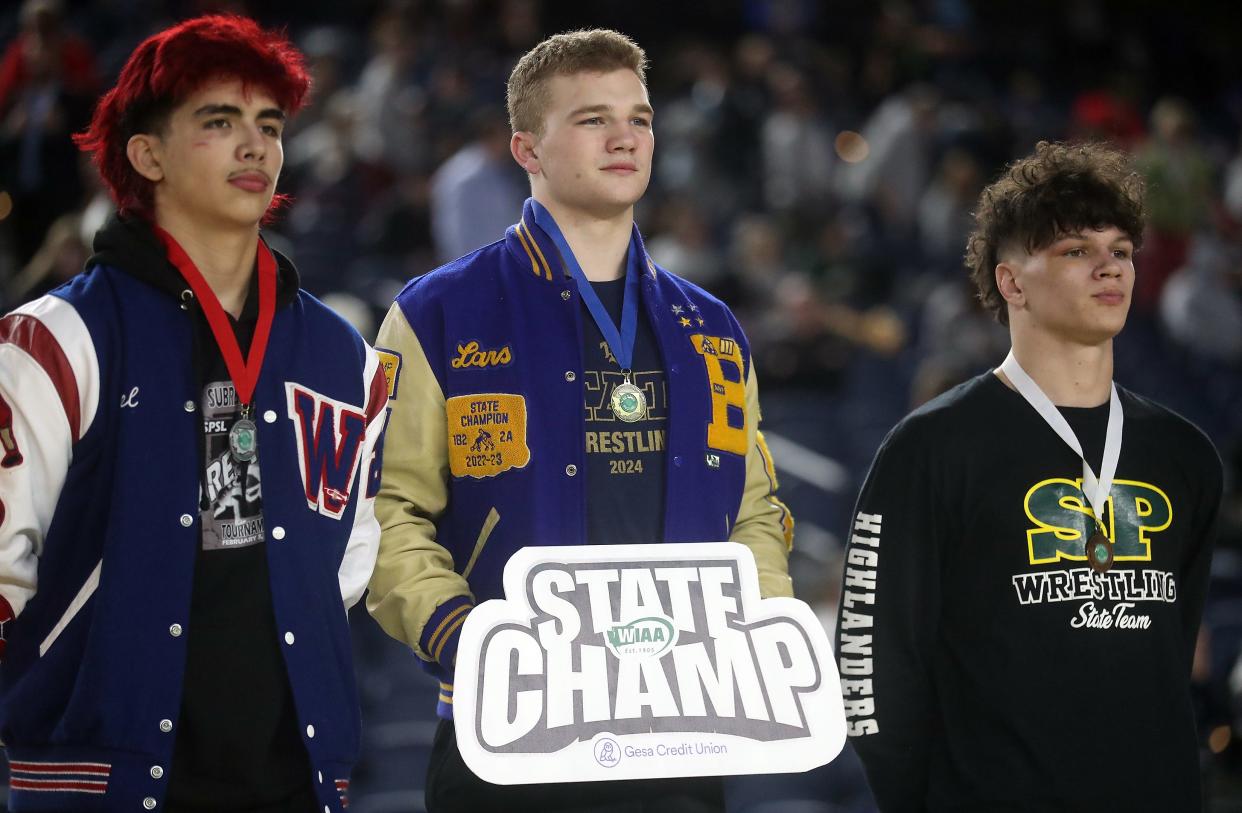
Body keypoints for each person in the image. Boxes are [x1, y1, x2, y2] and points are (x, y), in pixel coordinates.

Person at [366, 28, 794, 813]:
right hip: (506, 728)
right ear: (526, 147)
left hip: (681, 727)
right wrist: (461, 633)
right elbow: (388, 510)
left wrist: (751, 622)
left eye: (640, 117)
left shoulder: (714, 326)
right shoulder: (437, 312)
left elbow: (755, 508)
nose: (626, 136)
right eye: (594, 118)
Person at [0, 15, 387, 812]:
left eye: (269, 125)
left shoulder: (344, 353)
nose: (256, 146)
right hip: (100, 776)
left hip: (294, 779)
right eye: (219, 121)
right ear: (147, 155)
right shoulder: (53, 339)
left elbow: (347, 561)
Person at [837, 140, 1222, 812]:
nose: (1110, 268)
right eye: (1077, 250)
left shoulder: (1183, 454)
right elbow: (869, 665)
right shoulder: (931, 447)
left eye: (1121, 251)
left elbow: (1172, 651)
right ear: (1012, 281)